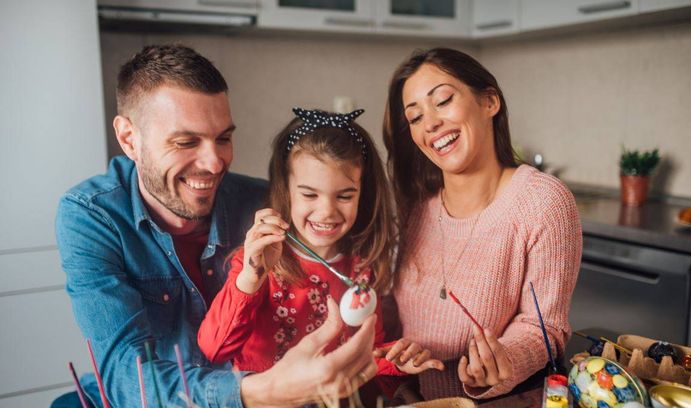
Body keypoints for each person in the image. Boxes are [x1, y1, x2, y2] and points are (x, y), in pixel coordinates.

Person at [54, 44, 377, 408]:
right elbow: (126, 374)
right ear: (129, 138)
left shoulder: (265, 205)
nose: (214, 163)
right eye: (186, 141)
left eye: (223, 138)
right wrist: (261, 392)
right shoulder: (92, 216)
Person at [382, 48, 582, 401]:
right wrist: (395, 353)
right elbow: (398, 319)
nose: (430, 124)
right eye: (414, 118)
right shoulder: (414, 207)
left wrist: (502, 359)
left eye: (442, 100)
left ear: (489, 101)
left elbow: (545, 327)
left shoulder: (543, 201)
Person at [197, 108, 443, 384]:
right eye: (310, 194)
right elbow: (214, 349)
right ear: (286, 190)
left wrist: (396, 359)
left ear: (363, 194)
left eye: (345, 196)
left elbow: (365, 353)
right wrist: (252, 276)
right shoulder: (256, 263)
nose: (326, 211)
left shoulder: (362, 268)